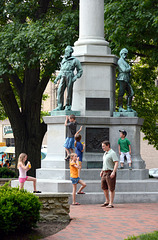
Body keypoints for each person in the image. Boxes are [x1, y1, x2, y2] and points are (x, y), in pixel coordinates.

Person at [54, 45, 83, 111]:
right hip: (63, 75)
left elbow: (80, 70)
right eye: (65, 51)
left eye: (67, 51)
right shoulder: (63, 60)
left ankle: (68, 106)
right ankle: (60, 106)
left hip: (70, 75)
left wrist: (76, 77)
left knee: (69, 92)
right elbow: (61, 70)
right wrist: (57, 78)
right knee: (59, 91)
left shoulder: (75, 60)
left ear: (70, 52)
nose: (65, 52)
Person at [100, 141, 118, 208]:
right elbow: (104, 163)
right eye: (102, 146)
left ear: (108, 146)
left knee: (111, 188)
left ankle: (111, 203)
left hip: (110, 172)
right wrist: (102, 170)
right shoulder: (105, 153)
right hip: (104, 172)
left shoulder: (112, 153)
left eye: (104, 146)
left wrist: (113, 171)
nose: (103, 148)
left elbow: (116, 162)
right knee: (104, 187)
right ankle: (107, 201)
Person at [117, 48, 135, 112]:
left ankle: (129, 107)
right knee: (121, 93)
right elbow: (124, 69)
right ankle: (120, 107)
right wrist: (129, 68)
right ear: (121, 54)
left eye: (126, 54)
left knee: (131, 93)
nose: (125, 55)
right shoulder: (120, 61)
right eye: (124, 54)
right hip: (122, 78)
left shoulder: (124, 61)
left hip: (126, 79)